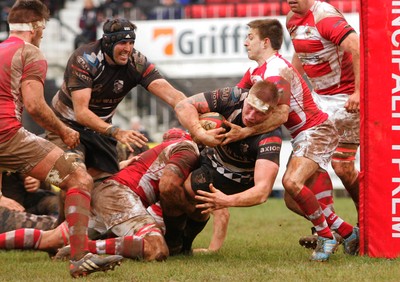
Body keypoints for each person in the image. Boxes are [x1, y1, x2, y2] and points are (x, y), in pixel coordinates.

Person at [194, 19, 358, 261]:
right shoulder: (255, 72)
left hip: (317, 130)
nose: (245, 42)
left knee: (291, 182)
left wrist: (244, 133)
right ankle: (348, 233)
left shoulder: (276, 71)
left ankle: (327, 236)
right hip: (303, 134)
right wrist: (205, 120)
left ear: (266, 42)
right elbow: (238, 101)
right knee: (293, 200)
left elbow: (281, 114)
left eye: (250, 37)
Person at [0, 0, 123, 278]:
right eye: (43, 28)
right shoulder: (30, 52)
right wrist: (64, 130)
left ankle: (62, 241)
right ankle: (79, 256)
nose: (43, 34)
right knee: (78, 178)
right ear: (36, 27)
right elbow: (34, 105)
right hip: (6, 135)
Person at [0, 128, 200, 262]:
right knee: (156, 249)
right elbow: (168, 185)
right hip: (118, 196)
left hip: (107, 193)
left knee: (51, 238)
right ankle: (86, 247)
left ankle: (79, 245)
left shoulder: (164, 150)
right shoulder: (187, 148)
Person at [47, 18, 187, 182]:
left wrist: (197, 113)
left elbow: (172, 95)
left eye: (131, 42)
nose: (128, 49)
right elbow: (81, 113)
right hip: (65, 125)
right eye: (122, 43)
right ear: (108, 43)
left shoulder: (136, 61)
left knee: (108, 184)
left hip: (99, 129)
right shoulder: (85, 59)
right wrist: (117, 132)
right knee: (74, 177)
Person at [170, 80, 283, 254]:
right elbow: (183, 106)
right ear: (247, 98)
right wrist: (200, 132)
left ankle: (182, 244)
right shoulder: (232, 96)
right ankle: (169, 236)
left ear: (272, 113)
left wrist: (225, 200)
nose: (251, 116)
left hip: (235, 178)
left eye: (260, 113)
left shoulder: (271, 137)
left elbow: (262, 192)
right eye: (250, 107)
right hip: (209, 155)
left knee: (190, 189)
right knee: (169, 177)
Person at [286, 0, 360, 248]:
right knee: (307, 173)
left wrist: (359, 93)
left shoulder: (325, 18)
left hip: (344, 100)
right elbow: (300, 54)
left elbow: (357, 47)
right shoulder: (292, 19)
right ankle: (336, 230)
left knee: (342, 167)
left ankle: (365, 224)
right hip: (320, 101)